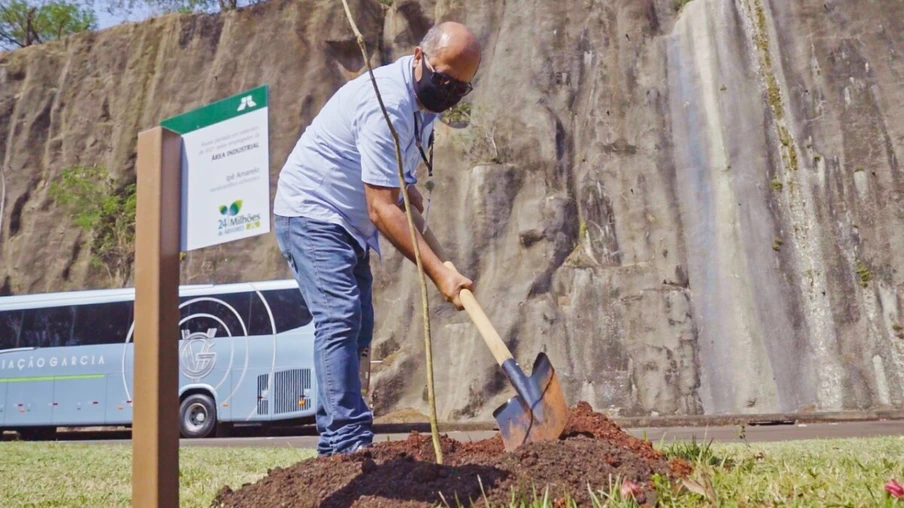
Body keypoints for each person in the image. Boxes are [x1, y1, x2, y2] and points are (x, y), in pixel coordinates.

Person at [272, 21, 482, 456]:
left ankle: (337, 439)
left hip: (347, 223)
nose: (448, 94)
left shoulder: (425, 106)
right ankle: (347, 441)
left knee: (360, 325)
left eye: (460, 90)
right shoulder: (388, 101)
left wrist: (408, 190)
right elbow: (382, 208)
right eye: (444, 80)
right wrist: (440, 277)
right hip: (312, 212)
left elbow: (396, 195)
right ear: (420, 57)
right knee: (340, 315)